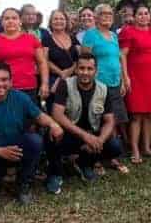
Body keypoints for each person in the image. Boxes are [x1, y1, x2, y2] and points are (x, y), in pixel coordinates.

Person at [0, 62, 63, 204]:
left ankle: (23, 184)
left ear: (11, 82)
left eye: (4, 80)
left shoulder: (20, 97)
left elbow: (39, 116)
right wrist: (0, 152)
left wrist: (53, 124)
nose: (0, 84)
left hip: (15, 149)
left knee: (35, 141)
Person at [48, 50, 123, 190]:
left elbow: (110, 121)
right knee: (54, 134)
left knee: (115, 145)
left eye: (90, 69)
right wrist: (85, 136)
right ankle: (55, 173)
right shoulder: (65, 84)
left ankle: (84, 164)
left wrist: (99, 140)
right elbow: (57, 115)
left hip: (91, 134)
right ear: (76, 69)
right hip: (70, 133)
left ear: (96, 71)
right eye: (81, 68)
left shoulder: (103, 89)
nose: (85, 72)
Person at [81, 3, 130, 172]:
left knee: (113, 121)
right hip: (98, 85)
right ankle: (96, 159)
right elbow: (85, 59)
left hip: (114, 84)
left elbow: (117, 59)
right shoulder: (90, 34)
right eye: (104, 13)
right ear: (96, 17)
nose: (108, 16)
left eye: (110, 13)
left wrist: (123, 79)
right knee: (97, 122)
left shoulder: (114, 35)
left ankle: (112, 156)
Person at [119, 4, 151, 163]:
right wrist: (125, 77)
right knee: (136, 115)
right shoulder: (128, 31)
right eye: (140, 14)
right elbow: (122, 55)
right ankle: (135, 150)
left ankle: (147, 147)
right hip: (135, 76)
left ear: (150, 16)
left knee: (149, 114)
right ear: (134, 16)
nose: (143, 16)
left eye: (146, 13)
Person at [0, 8, 49, 103]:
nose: (10, 21)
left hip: (29, 88)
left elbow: (42, 62)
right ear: (1, 22)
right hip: (1, 89)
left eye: (14, 18)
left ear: (20, 21)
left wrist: (45, 83)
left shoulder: (32, 39)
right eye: (7, 18)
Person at [42, 9, 79, 112]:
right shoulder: (46, 39)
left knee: (72, 111)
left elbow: (80, 58)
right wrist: (61, 73)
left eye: (61, 19)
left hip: (72, 82)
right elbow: (44, 60)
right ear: (51, 22)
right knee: (54, 111)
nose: (59, 21)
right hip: (54, 81)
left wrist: (69, 71)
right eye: (55, 19)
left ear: (66, 21)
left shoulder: (73, 38)